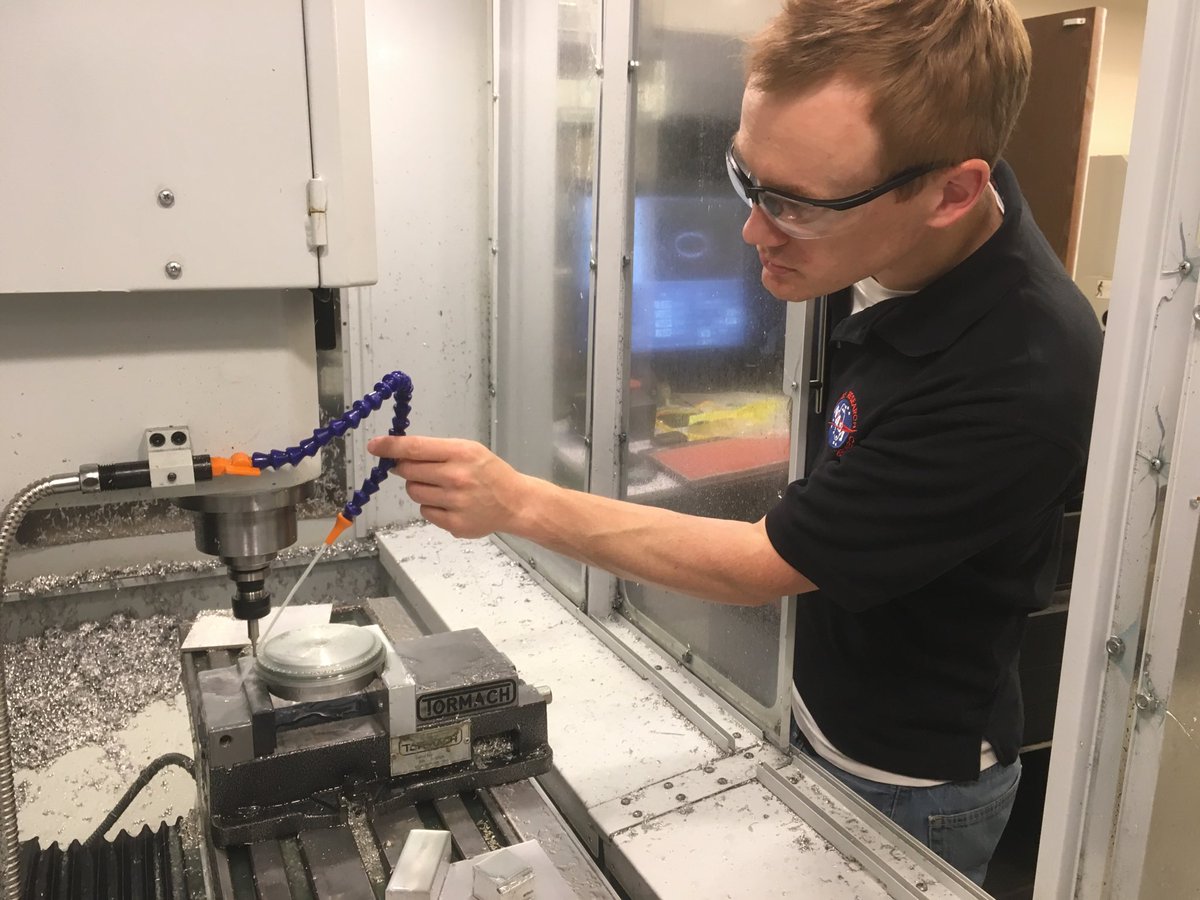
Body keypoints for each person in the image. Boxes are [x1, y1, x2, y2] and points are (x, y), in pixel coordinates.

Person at [367, 0, 1103, 884]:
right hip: (814, 696)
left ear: (951, 191)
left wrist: (518, 501)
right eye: (748, 178)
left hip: (905, 777)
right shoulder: (891, 228)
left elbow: (765, 563)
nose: (754, 229)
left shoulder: (1021, 367)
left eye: (796, 205)